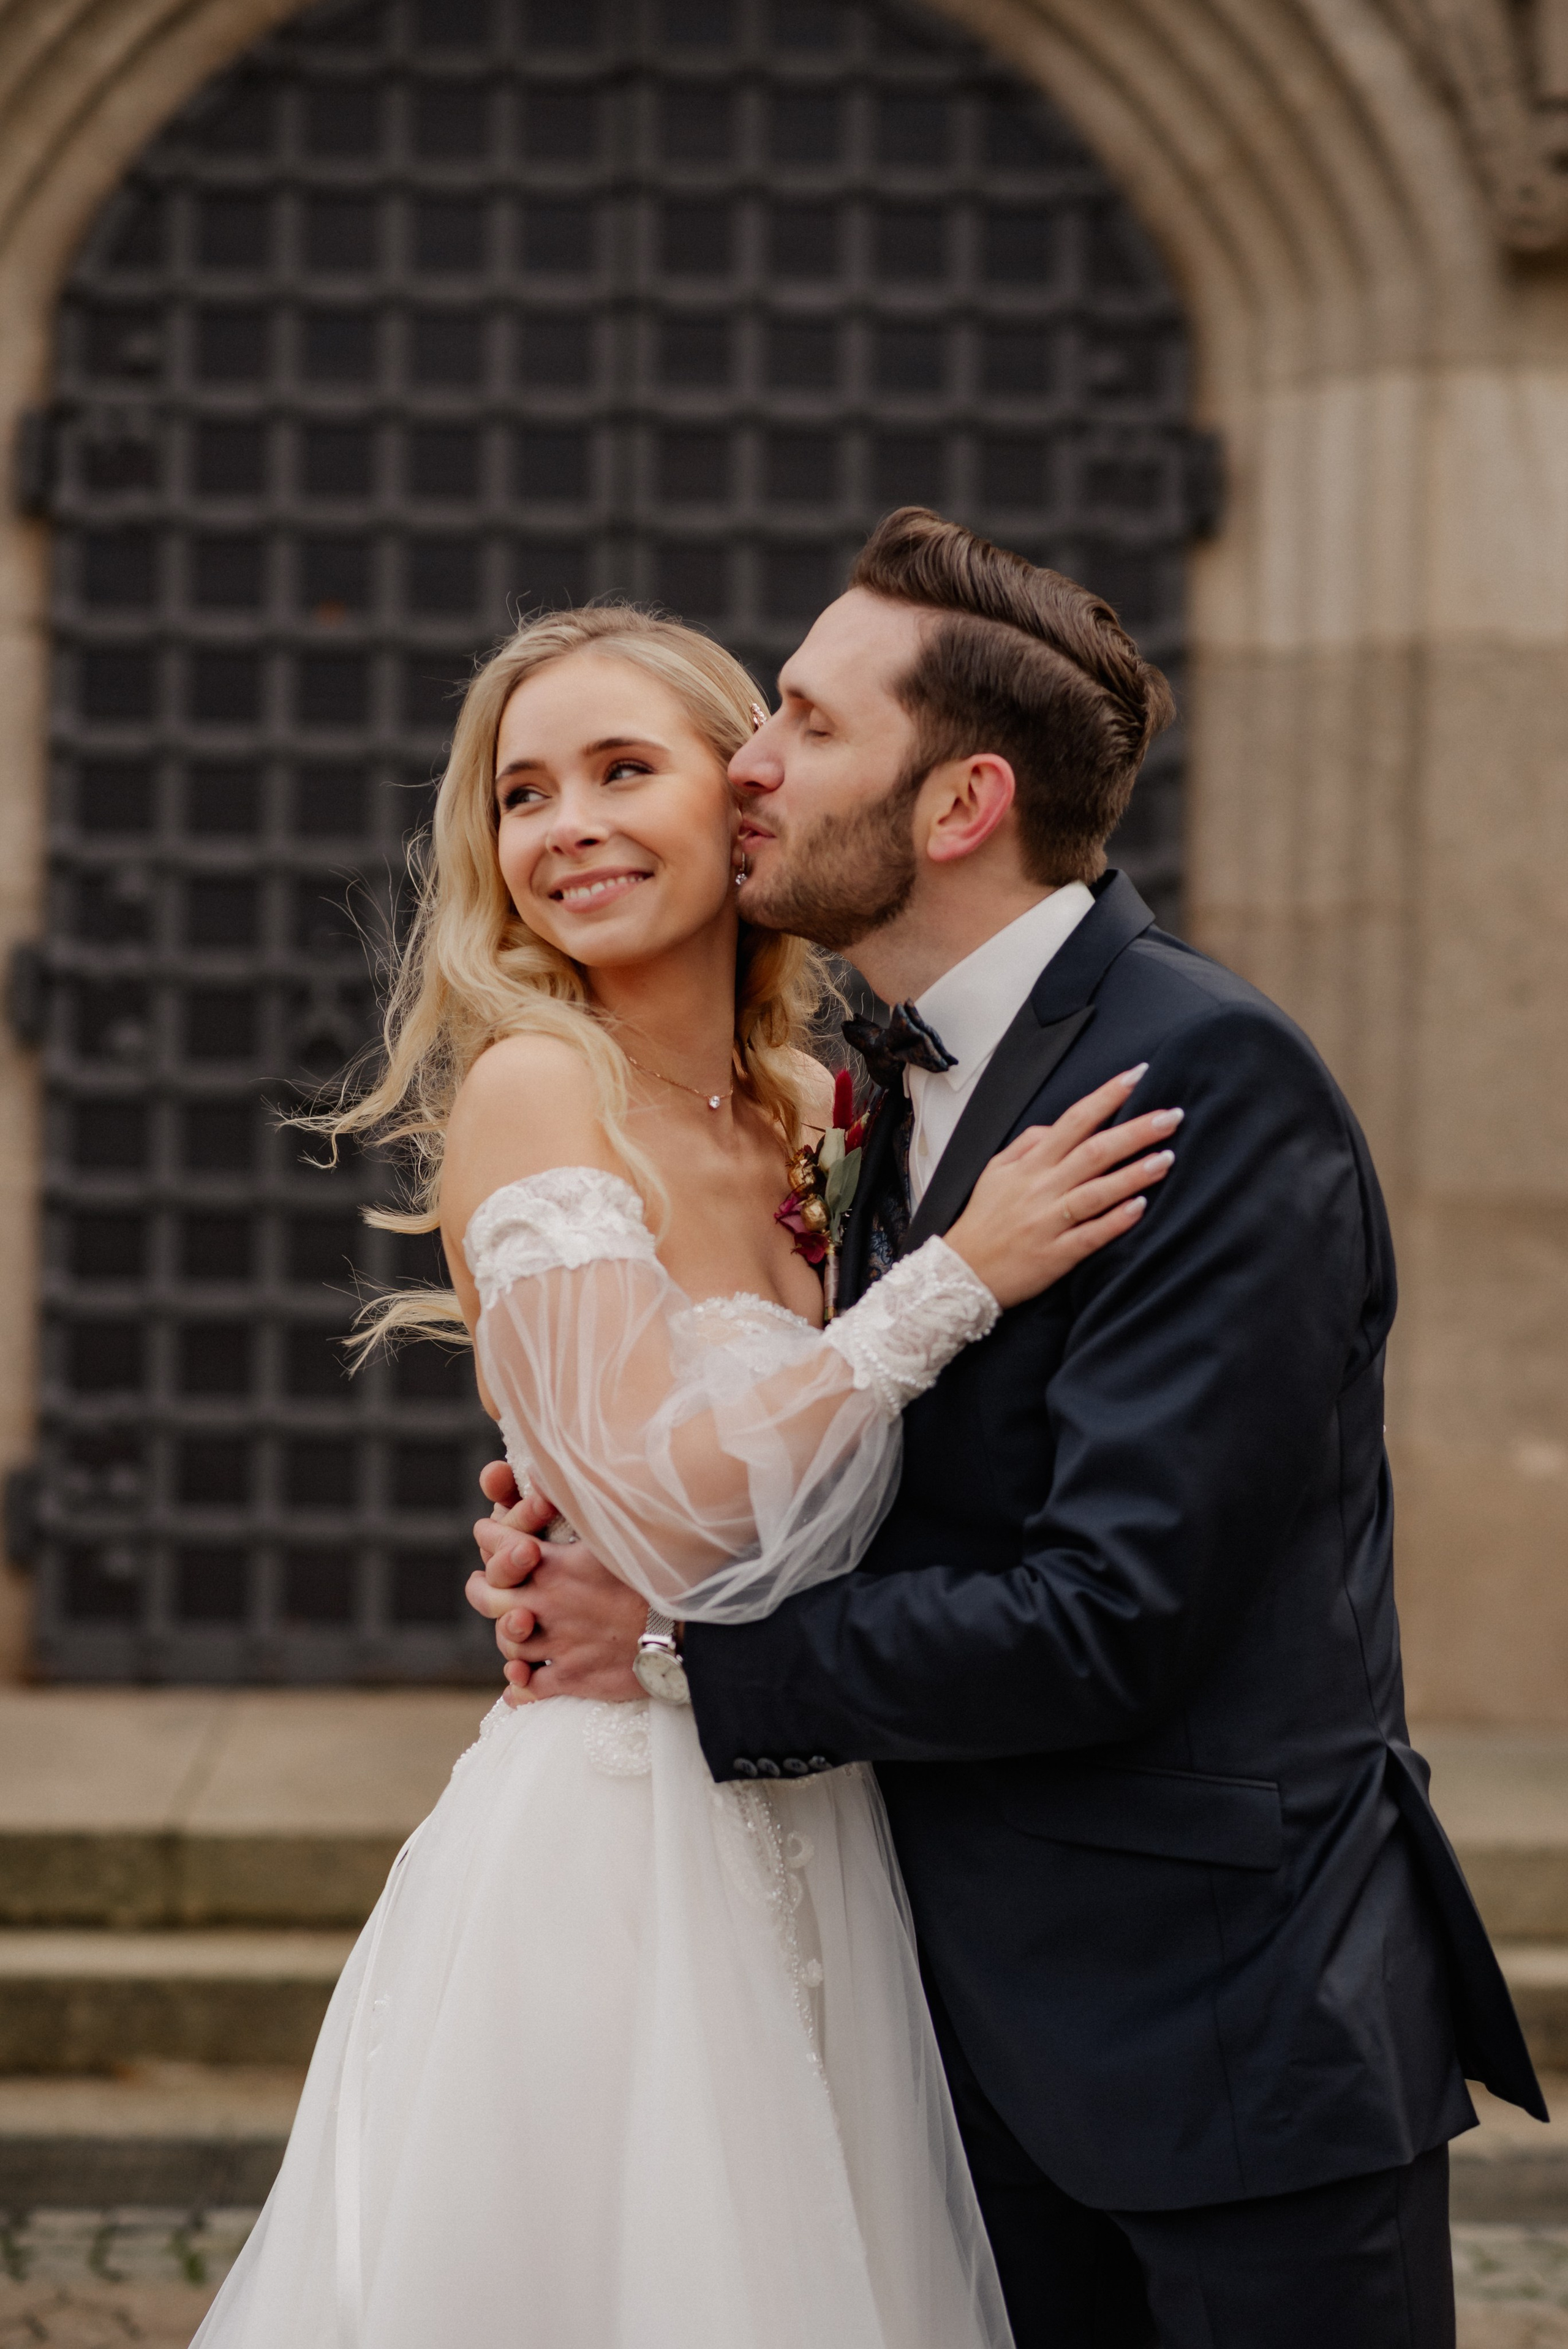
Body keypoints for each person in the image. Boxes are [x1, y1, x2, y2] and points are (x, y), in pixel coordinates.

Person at [469, 508, 1547, 2349]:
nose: (751, 761)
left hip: (1224, 2037)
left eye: (807, 723)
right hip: (958, 2043)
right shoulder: (869, 1097)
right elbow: (857, 1461)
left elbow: (1114, 1613)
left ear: (962, 804)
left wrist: (667, 1648)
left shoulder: (1197, 1077)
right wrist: (602, 1507)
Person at [190, 600, 1181, 2349]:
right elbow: (660, 1503)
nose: (566, 825)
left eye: (621, 770)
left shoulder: (817, 1106)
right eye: (524, 794)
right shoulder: (533, 1091)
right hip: (619, 1840)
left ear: (742, 799)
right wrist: (955, 1282)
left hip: (833, 1806)